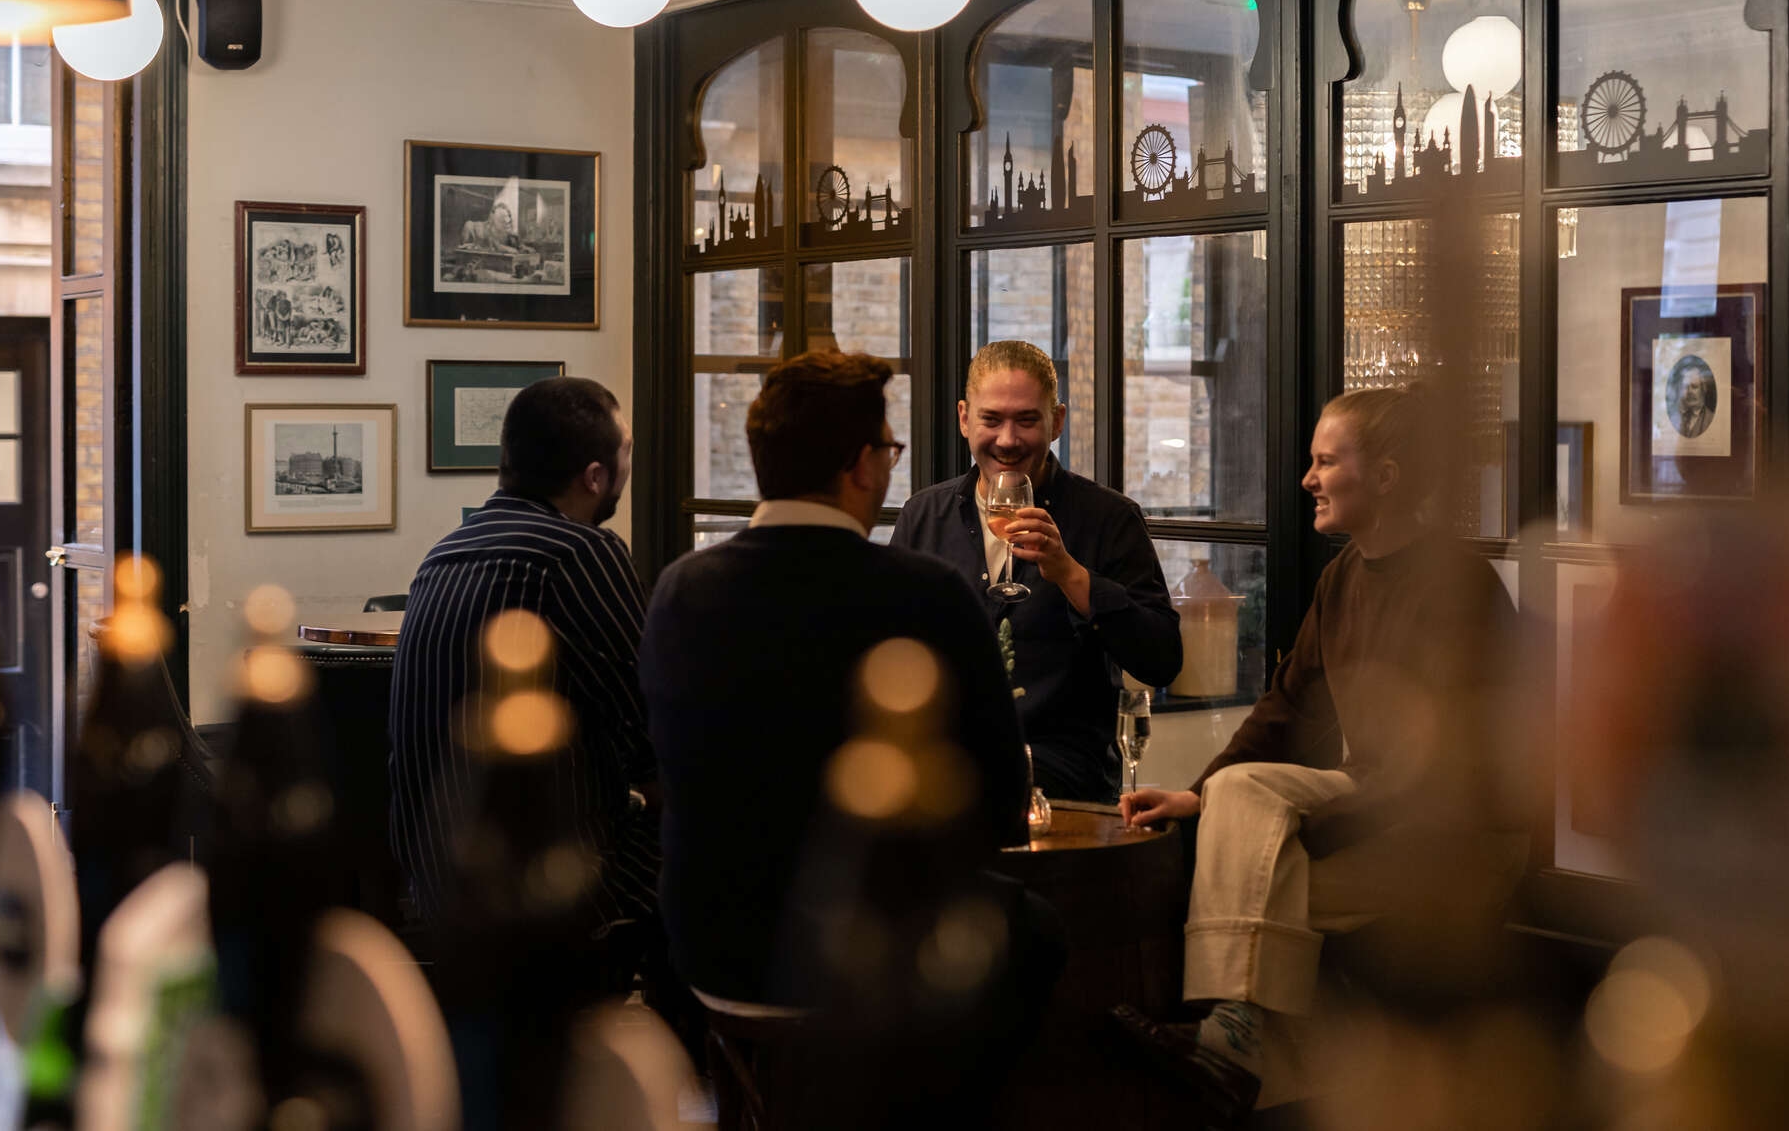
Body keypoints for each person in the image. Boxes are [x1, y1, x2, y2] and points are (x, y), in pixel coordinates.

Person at [642, 351, 1055, 1125]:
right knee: (1033, 934)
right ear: (862, 465)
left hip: (705, 952)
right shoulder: (922, 592)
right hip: (871, 964)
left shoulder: (680, 589)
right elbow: (1002, 805)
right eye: (889, 451)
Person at [1113, 386, 1523, 1122]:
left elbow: (1452, 768)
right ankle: (1266, 1069)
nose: (1306, 479)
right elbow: (1286, 705)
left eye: (1325, 460)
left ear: (1388, 477)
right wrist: (1198, 794)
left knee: (1257, 868)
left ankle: (1235, 1036)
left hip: (1455, 836)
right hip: (1375, 810)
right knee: (1252, 848)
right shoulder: (1342, 578)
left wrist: (1281, 823)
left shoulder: (1458, 586)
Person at [389, 376, 659, 958]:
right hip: (552, 895)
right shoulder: (581, 552)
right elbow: (650, 732)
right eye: (627, 452)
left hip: (438, 889)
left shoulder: (444, 553)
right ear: (595, 476)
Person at [892, 340, 1182, 802]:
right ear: (965, 418)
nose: (1008, 440)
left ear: (1057, 422)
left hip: (1066, 773)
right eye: (992, 420)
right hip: (944, 764)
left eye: (1027, 420)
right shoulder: (924, 516)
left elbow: (1162, 658)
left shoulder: (1109, 518)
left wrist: (1070, 575)